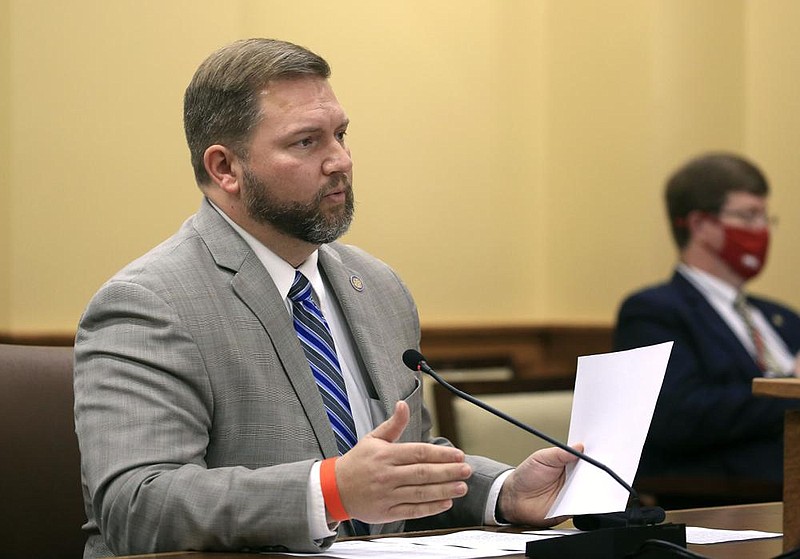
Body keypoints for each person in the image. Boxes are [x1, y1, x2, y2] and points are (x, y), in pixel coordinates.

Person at [73, 38, 580, 557]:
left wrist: (504, 493)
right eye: (306, 143)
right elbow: (137, 506)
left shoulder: (379, 287)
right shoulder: (148, 303)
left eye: (340, 135)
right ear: (226, 168)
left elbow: (400, 467)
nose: (340, 160)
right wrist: (330, 491)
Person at [614, 152, 800, 505]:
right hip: (732, 496)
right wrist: (790, 391)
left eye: (765, 217)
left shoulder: (782, 317)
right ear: (699, 225)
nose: (762, 229)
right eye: (748, 215)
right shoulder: (654, 311)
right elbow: (678, 416)